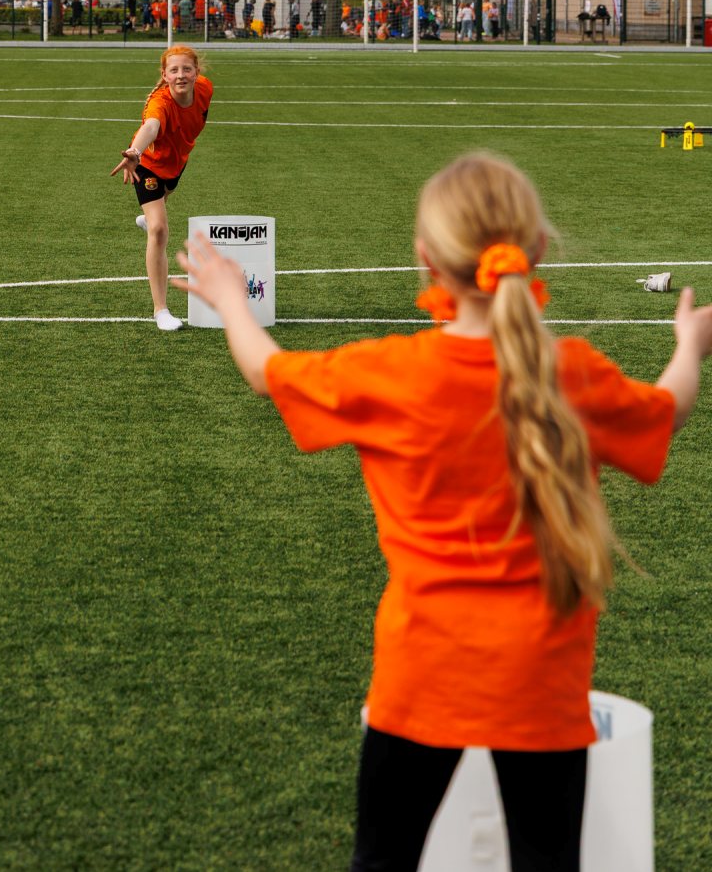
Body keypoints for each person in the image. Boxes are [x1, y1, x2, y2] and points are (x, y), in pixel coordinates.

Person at [173, 151, 712, 872]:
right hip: (544, 680)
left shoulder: (392, 372)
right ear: (537, 248)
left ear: (426, 257)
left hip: (420, 672)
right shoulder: (573, 372)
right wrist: (690, 344)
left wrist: (231, 298)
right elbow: (668, 407)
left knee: (382, 861)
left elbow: (265, 370)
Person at [110, 45, 213, 333]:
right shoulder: (160, 103)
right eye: (174, 70)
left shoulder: (205, 89)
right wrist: (134, 152)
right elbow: (151, 127)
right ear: (164, 75)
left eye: (187, 69)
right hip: (146, 164)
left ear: (197, 73)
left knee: (159, 208)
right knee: (159, 230)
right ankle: (161, 310)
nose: (181, 75)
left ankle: (148, 217)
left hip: (177, 162)